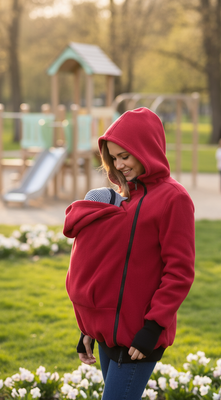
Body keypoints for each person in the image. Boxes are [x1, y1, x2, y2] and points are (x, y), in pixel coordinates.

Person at [63, 107, 195, 400]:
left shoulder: (174, 199)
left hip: (140, 337)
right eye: (113, 158)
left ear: (146, 149)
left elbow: (179, 272)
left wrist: (153, 327)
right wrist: (89, 328)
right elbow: (106, 269)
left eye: (125, 156)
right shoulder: (122, 200)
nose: (119, 165)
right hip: (108, 334)